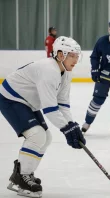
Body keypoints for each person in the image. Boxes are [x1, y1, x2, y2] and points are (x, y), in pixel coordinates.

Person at [0, 36, 86, 198]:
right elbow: (50, 109)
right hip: (11, 98)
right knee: (37, 135)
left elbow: (63, 104)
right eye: (72, 55)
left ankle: (25, 173)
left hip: (26, 101)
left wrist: (72, 126)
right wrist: (67, 130)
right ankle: (22, 177)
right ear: (60, 55)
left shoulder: (66, 73)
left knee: (46, 138)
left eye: (77, 56)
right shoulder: (49, 70)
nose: (76, 59)